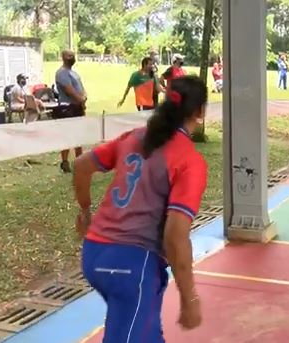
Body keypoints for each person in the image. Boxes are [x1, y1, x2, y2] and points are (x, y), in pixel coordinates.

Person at [73, 76, 208, 342]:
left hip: (94, 254)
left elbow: (80, 166)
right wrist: (189, 297)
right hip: (132, 265)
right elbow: (175, 237)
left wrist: (86, 211)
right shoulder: (189, 161)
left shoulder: (133, 137)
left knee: (147, 330)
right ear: (199, 112)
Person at [55, 50, 87, 173]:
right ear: (63, 57)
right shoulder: (61, 73)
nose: (71, 58)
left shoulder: (74, 73)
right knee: (68, 136)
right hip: (67, 108)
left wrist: (83, 98)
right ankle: (65, 162)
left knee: (79, 136)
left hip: (77, 107)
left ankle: (79, 161)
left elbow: (81, 88)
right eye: (69, 56)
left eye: (73, 56)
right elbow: (69, 90)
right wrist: (80, 100)